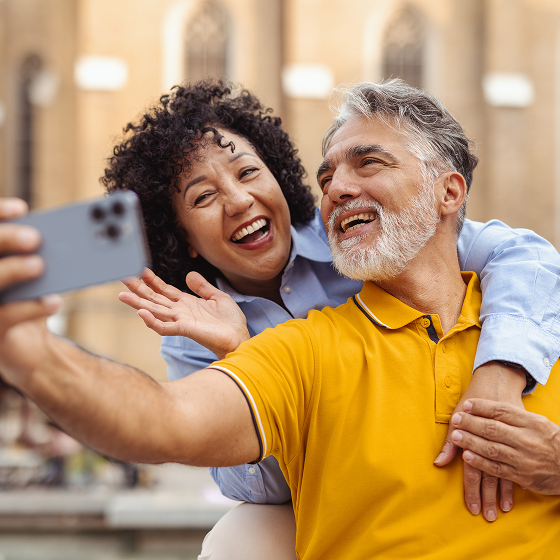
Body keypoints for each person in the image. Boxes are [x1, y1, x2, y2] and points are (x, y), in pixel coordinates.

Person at [0, 80, 559, 558]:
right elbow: (179, 429)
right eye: (203, 198)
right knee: (240, 537)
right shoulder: (247, 337)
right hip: (307, 480)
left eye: (248, 172)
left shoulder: (495, 293)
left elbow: (525, 254)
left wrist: (500, 376)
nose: (240, 200)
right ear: (184, 242)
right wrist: (236, 351)